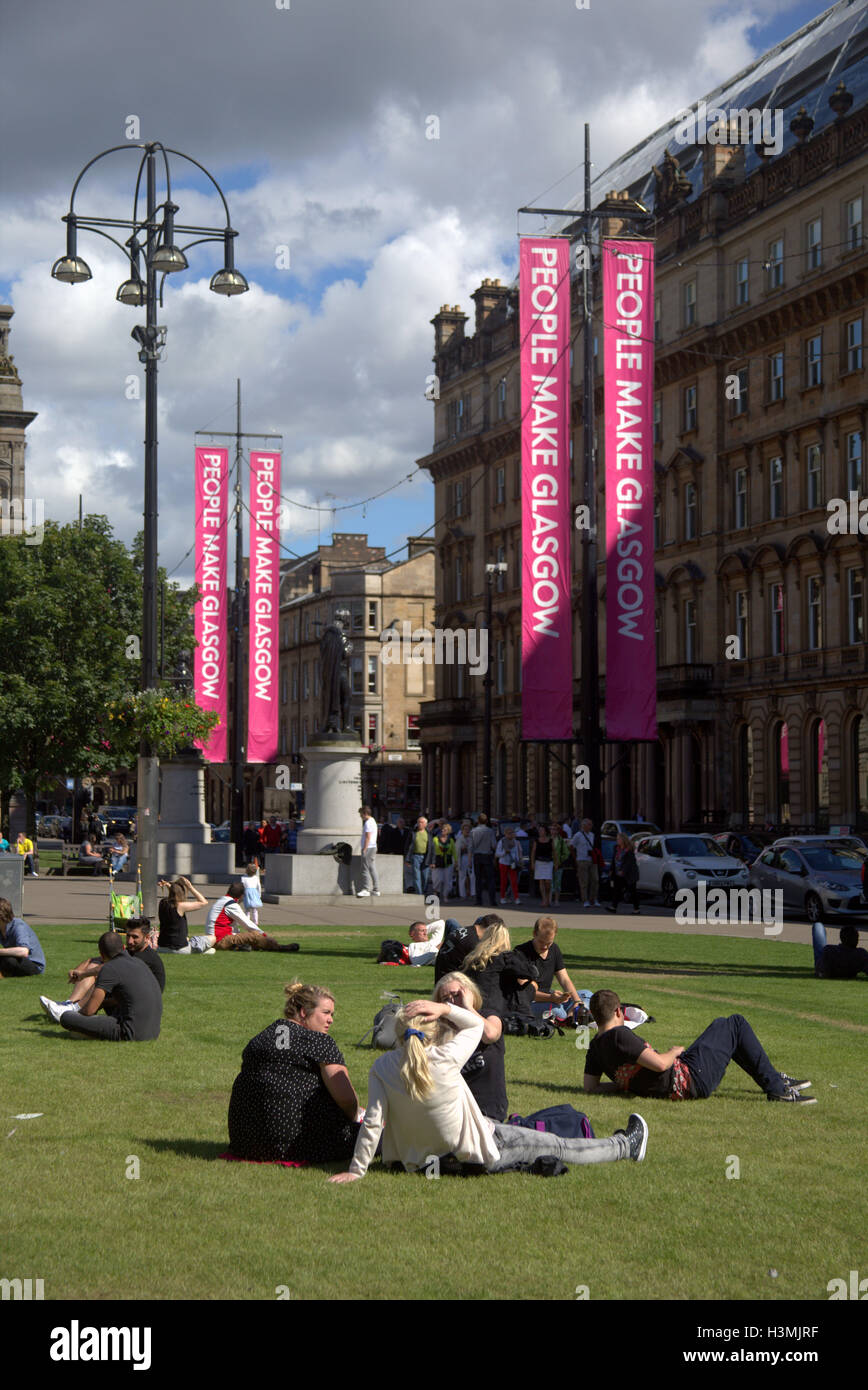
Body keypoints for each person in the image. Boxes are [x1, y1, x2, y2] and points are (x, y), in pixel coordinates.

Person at [328, 996, 649, 1181]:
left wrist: (357, 1170)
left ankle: (622, 1145)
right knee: (560, 1147)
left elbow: (373, 1122)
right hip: (477, 1152)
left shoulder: (381, 1067)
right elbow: (478, 1025)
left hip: (426, 1164)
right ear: (435, 1030)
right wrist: (444, 1008)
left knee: (527, 1138)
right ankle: (625, 1146)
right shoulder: (446, 1055)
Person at [583, 989, 815, 1104]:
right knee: (735, 1023)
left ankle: (773, 1079)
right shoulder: (620, 1036)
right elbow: (661, 1064)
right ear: (618, 1012)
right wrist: (673, 1051)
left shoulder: (595, 1047)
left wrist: (627, 1085)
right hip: (691, 1080)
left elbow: (590, 1087)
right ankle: (777, 1088)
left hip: (682, 1075)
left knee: (721, 1025)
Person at [227, 981, 361, 1162]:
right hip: (298, 1145)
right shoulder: (319, 1042)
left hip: (246, 1144)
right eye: (326, 1013)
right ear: (304, 1012)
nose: (331, 1019)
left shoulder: (258, 1040)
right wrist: (355, 1117)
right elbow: (346, 1099)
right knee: (383, 1136)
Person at [39, 918, 166, 1021]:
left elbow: (111, 968)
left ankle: (72, 1010)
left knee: (104, 977)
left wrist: (83, 974)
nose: (130, 941)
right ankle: (68, 1005)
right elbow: (97, 960)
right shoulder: (131, 952)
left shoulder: (146, 958)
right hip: (127, 997)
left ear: (147, 938)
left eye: (135, 937)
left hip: (141, 1006)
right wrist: (78, 970)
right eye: (128, 936)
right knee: (95, 966)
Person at [54, 931, 163, 1041]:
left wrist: (78, 1018)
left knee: (66, 1017)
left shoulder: (109, 969)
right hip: (152, 1032)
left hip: (129, 1032)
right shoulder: (139, 963)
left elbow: (89, 1011)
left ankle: (83, 1031)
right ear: (124, 948)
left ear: (101, 955)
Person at [433, 970, 507, 1122]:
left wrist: (468, 1008)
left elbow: (490, 1035)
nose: (452, 1002)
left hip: (486, 1114)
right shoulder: (441, 1032)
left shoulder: (489, 1016)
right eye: (446, 999)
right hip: (452, 1114)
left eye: (457, 995)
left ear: (470, 994)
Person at [462, 920, 539, 1020]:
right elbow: (533, 973)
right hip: (494, 1008)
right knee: (528, 985)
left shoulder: (472, 958)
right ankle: (523, 1017)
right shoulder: (505, 958)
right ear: (505, 939)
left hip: (473, 1004)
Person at [514, 917, 582, 1019]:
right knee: (556, 1011)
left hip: (550, 997)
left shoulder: (554, 949)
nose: (545, 947)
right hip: (528, 1002)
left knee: (587, 995)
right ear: (534, 934)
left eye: (549, 943)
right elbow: (525, 991)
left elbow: (564, 979)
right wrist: (551, 998)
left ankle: (575, 1013)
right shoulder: (520, 952)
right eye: (541, 942)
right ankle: (572, 1016)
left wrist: (577, 1002)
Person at [156, 876, 209, 952]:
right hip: (180, 948)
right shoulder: (181, 906)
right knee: (212, 938)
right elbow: (204, 902)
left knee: (191, 940)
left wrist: (169, 885)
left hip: (162, 947)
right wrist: (190, 887)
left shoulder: (162, 903)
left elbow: (172, 897)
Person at [0, 897, 46, 977]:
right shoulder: (1, 927)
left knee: (8, 960)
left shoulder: (18, 926)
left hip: (33, 965)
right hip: (16, 960)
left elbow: (23, 951)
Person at [570, 818, 601, 908]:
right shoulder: (578, 835)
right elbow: (571, 846)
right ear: (583, 826)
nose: (591, 826)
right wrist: (575, 858)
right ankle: (585, 900)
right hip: (582, 859)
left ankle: (593, 899)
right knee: (584, 881)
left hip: (592, 859)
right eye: (589, 824)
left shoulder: (592, 835)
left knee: (595, 879)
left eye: (591, 825)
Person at [606, 833, 640, 914]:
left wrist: (623, 871)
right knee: (616, 890)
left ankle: (636, 909)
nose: (617, 840)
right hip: (618, 873)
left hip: (629, 874)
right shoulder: (616, 848)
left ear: (623, 840)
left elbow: (629, 863)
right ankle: (613, 907)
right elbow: (614, 860)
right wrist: (611, 870)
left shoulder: (629, 849)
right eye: (617, 839)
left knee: (632, 891)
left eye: (618, 839)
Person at [471, 813, 497, 907]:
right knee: (490, 879)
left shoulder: (474, 831)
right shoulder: (490, 831)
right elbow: (494, 845)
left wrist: (470, 858)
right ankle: (492, 900)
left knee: (478, 879)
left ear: (478, 821)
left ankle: (479, 900)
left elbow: (471, 845)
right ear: (486, 821)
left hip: (477, 855)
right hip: (487, 855)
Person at [357, 805, 380, 898]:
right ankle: (376, 889)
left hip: (369, 847)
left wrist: (364, 849)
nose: (360, 816)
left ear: (365, 813)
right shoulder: (373, 821)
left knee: (365, 868)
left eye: (361, 814)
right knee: (372, 868)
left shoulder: (368, 823)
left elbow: (367, 837)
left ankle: (366, 889)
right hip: (373, 847)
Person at [431, 822, 457, 902]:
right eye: (442, 829)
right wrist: (431, 862)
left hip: (448, 862)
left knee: (448, 881)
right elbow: (431, 851)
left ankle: (445, 896)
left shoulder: (451, 840)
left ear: (448, 831)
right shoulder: (435, 839)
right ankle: (436, 891)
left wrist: (456, 861)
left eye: (445, 830)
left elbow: (454, 852)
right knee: (437, 880)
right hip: (437, 861)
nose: (442, 831)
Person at [495, 827, 522, 905]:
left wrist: (519, 860)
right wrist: (504, 852)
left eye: (512, 833)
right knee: (503, 881)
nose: (511, 835)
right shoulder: (502, 841)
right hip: (503, 863)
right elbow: (497, 854)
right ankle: (502, 898)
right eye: (509, 833)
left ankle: (516, 898)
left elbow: (518, 852)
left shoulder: (516, 842)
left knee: (514, 881)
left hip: (512, 863)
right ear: (505, 834)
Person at [406, 816, 431, 896]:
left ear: (425, 824)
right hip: (415, 856)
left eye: (421, 822)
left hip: (426, 857)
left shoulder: (429, 833)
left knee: (425, 877)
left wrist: (432, 860)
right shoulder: (413, 832)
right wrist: (407, 859)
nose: (419, 824)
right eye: (418, 822)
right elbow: (407, 846)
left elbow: (432, 847)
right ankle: (419, 894)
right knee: (417, 876)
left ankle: (424, 892)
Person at [531, 823, 554, 907]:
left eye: (542, 830)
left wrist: (556, 862)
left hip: (548, 862)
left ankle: (548, 898)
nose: (540, 832)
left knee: (548, 882)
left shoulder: (550, 840)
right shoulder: (536, 841)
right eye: (539, 830)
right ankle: (544, 900)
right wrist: (532, 863)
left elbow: (554, 852)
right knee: (541, 881)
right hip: (539, 862)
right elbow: (533, 853)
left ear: (545, 831)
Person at [454, 820, 475, 900]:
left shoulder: (471, 838)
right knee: (462, 876)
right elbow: (456, 850)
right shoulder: (459, 839)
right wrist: (462, 850)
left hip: (470, 858)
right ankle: (462, 894)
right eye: (465, 829)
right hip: (462, 858)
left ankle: (473, 893)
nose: (467, 831)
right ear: (462, 830)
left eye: (468, 829)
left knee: (472, 876)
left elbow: (472, 849)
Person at [552, 823, 570, 905]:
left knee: (557, 883)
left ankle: (556, 900)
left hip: (558, 865)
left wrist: (559, 860)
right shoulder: (548, 839)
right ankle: (548, 899)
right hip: (548, 864)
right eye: (552, 829)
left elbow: (566, 853)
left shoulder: (561, 840)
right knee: (548, 882)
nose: (553, 831)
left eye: (555, 829)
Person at [240, 861, 264, 925]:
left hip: (246, 894)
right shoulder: (256, 878)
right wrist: (259, 895)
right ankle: (256, 922)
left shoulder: (243, 878)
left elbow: (242, 887)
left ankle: (247, 922)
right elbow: (259, 887)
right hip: (254, 894)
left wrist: (241, 895)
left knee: (247, 910)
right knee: (254, 909)